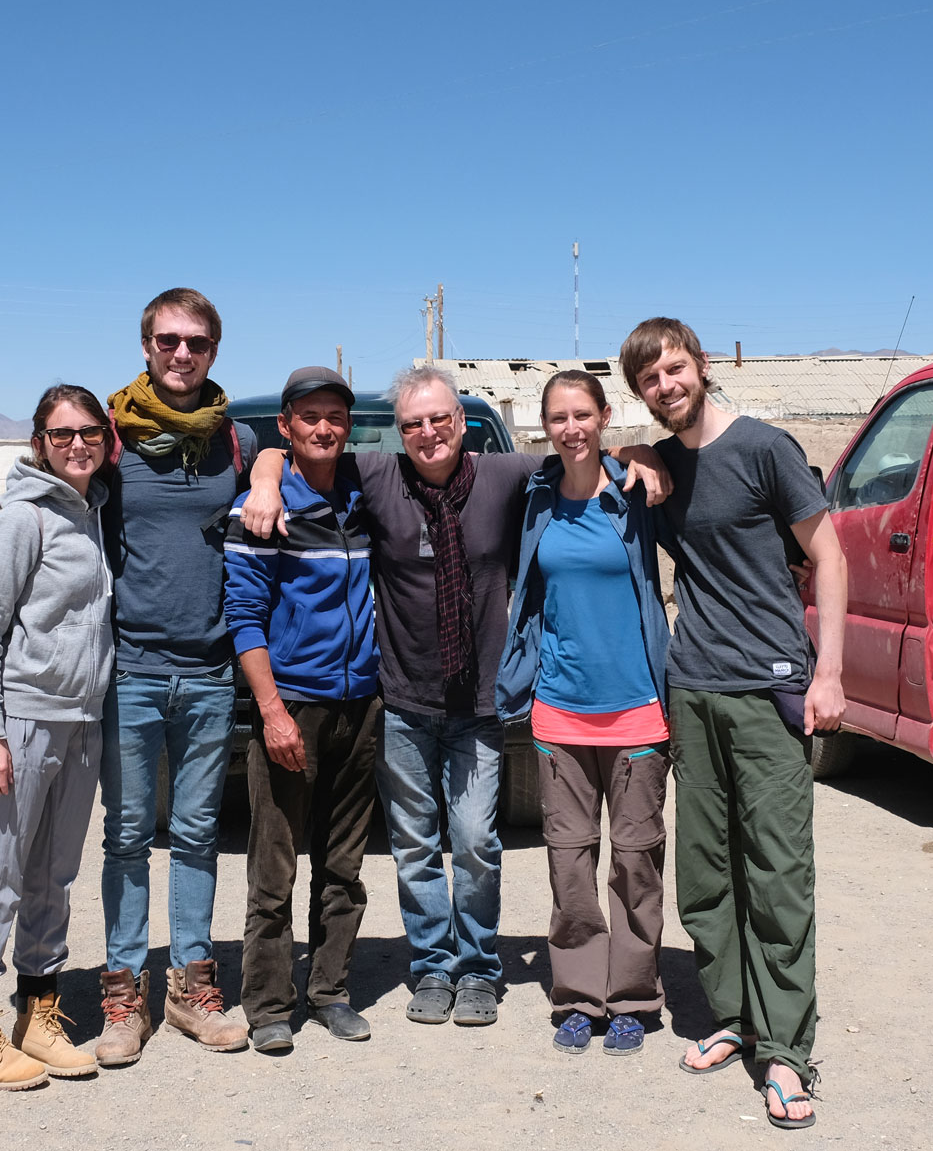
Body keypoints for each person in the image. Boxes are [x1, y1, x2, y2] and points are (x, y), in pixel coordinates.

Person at [238, 367, 670, 1028]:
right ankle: (431, 967)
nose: (427, 433)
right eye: (412, 424)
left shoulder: (505, 476)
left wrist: (636, 452)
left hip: (480, 704)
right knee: (412, 848)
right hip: (402, 700)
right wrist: (265, 475)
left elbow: (578, 450)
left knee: (473, 841)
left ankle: (478, 969)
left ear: (462, 423)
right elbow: (295, 447)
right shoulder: (377, 477)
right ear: (398, 432)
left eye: (439, 419)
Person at [0, 288, 254, 1064]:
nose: (181, 354)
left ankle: (190, 986)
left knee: (195, 834)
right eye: (166, 340)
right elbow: (55, 488)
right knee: (124, 837)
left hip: (211, 670)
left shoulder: (237, 442)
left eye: (196, 342)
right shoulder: (114, 436)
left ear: (214, 350)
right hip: (130, 672)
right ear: (146, 347)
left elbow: (295, 463)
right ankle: (123, 994)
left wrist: (278, 465)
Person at [619, 316, 846, 1131]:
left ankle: (785, 1051)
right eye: (648, 379)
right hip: (694, 687)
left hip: (769, 689)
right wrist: (631, 452)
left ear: (701, 366)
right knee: (706, 874)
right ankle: (735, 1016)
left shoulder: (764, 448)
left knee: (777, 872)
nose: (664, 386)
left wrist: (829, 671)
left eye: (673, 369)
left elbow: (829, 555)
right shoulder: (664, 464)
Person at [494, 371, 671, 1059]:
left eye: (582, 415)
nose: (571, 428)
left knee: (635, 864)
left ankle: (629, 996)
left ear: (602, 418)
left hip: (636, 713)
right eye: (558, 417)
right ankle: (576, 996)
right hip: (559, 713)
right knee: (569, 865)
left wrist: (648, 453)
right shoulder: (534, 498)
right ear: (545, 426)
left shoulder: (634, 495)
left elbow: (685, 456)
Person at [0, 384, 117, 1090]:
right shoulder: (23, 519)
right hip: (19, 722)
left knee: (55, 874)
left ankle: (37, 1013)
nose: (76, 445)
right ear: (39, 443)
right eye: (60, 434)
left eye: (88, 433)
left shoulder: (98, 513)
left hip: (80, 722)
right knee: (1, 874)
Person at [223, 367, 382, 1054]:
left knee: (344, 865)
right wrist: (273, 713)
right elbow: (243, 618)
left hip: (362, 705)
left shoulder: (364, 491)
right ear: (285, 427)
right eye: (309, 417)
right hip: (295, 707)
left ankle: (329, 992)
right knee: (274, 863)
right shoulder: (258, 509)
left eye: (335, 417)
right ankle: (266, 1004)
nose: (324, 428)